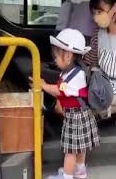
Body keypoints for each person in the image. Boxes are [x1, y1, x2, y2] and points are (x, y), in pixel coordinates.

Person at [30, 28, 100, 179]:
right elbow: (64, 92)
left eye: (56, 56)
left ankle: (67, 176)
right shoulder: (69, 72)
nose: (54, 59)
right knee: (80, 146)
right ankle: (80, 171)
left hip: (77, 117)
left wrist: (42, 86)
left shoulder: (77, 75)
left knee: (70, 151)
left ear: (68, 55)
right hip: (78, 114)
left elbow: (59, 91)